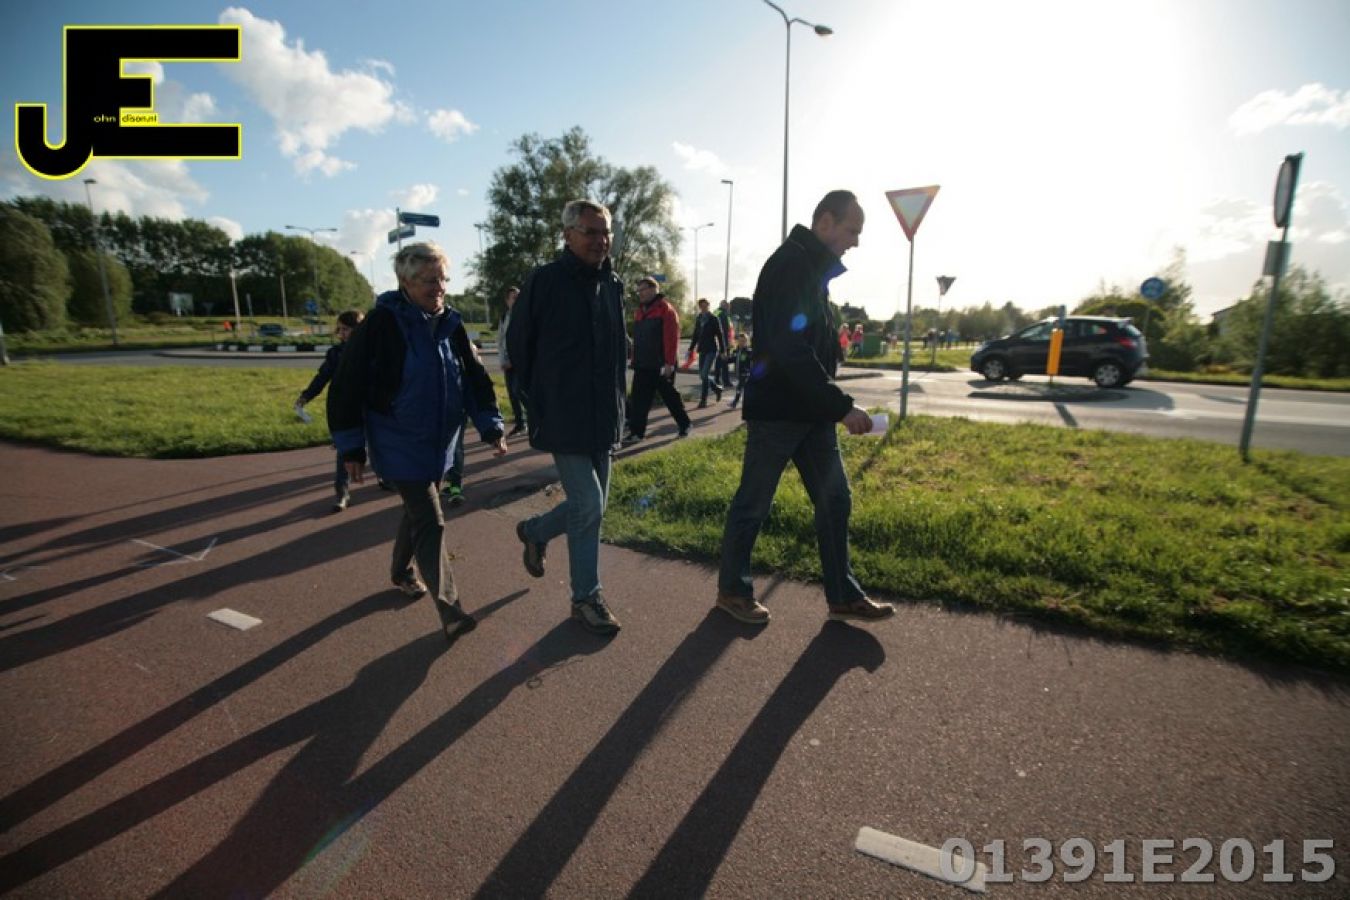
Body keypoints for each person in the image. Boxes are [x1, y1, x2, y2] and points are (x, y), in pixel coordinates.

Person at [714, 189, 896, 626]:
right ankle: (733, 591)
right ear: (825, 222)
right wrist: (841, 405)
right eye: (852, 230)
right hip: (779, 411)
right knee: (753, 503)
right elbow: (788, 347)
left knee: (835, 500)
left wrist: (830, 392)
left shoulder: (813, 272)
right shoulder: (790, 265)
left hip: (811, 413)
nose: (855, 242)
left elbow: (811, 342)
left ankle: (843, 595)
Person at [328, 242, 508, 642]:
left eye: (442, 278)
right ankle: (451, 609)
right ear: (405, 282)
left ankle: (400, 571)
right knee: (430, 518)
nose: (439, 287)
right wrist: (351, 447)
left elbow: (474, 380)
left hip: (440, 442)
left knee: (418, 513)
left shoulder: (451, 323)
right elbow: (346, 385)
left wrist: (491, 426)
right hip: (397, 440)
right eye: (429, 280)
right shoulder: (381, 324)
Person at [506, 199, 628, 636]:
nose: (601, 240)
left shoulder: (613, 283)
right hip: (563, 413)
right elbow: (519, 346)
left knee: (592, 506)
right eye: (591, 232)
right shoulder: (545, 281)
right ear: (567, 235)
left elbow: (618, 351)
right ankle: (586, 598)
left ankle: (535, 531)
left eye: (606, 232)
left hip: (603, 414)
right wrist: (539, 399)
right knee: (588, 504)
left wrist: (621, 406)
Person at [297, 309, 364, 512]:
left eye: (346, 329)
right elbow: (322, 377)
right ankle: (342, 492)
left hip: (369, 407)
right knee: (345, 449)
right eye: (339, 329)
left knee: (379, 444)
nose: (341, 333)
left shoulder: (373, 350)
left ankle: (385, 478)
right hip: (344, 409)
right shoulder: (336, 354)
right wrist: (307, 395)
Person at [622, 276, 692, 444]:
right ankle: (637, 433)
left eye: (643, 289)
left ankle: (685, 424)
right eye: (639, 290)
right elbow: (638, 339)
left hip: (660, 364)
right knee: (639, 400)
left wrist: (669, 363)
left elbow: (671, 338)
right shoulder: (639, 312)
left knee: (670, 397)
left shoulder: (666, 310)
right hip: (642, 364)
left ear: (654, 290)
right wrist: (635, 359)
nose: (640, 293)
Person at [497, 285, 527, 437]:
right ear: (507, 301)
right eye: (514, 298)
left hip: (521, 362)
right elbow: (500, 340)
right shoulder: (504, 317)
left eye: (519, 297)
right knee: (512, 394)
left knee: (519, 390)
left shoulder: (525, 316)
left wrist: (514, 361)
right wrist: (502, 360)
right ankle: (520, 424)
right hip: (507, 362)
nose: (518, 300)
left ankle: (537, 418)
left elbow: (525, 341)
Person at [688, 297, 726, 408]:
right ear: (700, 307)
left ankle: (703, 400)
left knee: (704, 374)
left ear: (708, 306)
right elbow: (696, 335)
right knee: (702, 375)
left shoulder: (714, 319)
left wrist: (723, 350)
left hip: (711, 350)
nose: (703, 308)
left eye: (705, 305)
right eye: (701, 306)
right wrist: (691, 348)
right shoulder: (699, 318)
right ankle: (717, 388)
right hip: (702, 350)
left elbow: (720, 335)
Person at [727, 330, 751, 410]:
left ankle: (734, 403)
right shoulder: (736, 351)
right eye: (740, 341)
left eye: (743, 341)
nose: (741, 343)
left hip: (745, 373)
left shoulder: (748, 352)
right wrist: (726, 358)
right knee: (742, 389)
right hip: (738, 373)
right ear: (737, 341)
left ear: (747, 342)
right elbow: (731, 360)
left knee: (739, 388)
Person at [714, 299, 734, 388]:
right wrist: (727, 343)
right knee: (724, 362)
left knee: (719, 362)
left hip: (717, 341)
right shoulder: (723, 315)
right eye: (728, 307)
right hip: (723, 342)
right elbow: (725, 331)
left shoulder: (716, 312)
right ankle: (726, 381)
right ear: (726, 306)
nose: (729, 308)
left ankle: (716, 379)